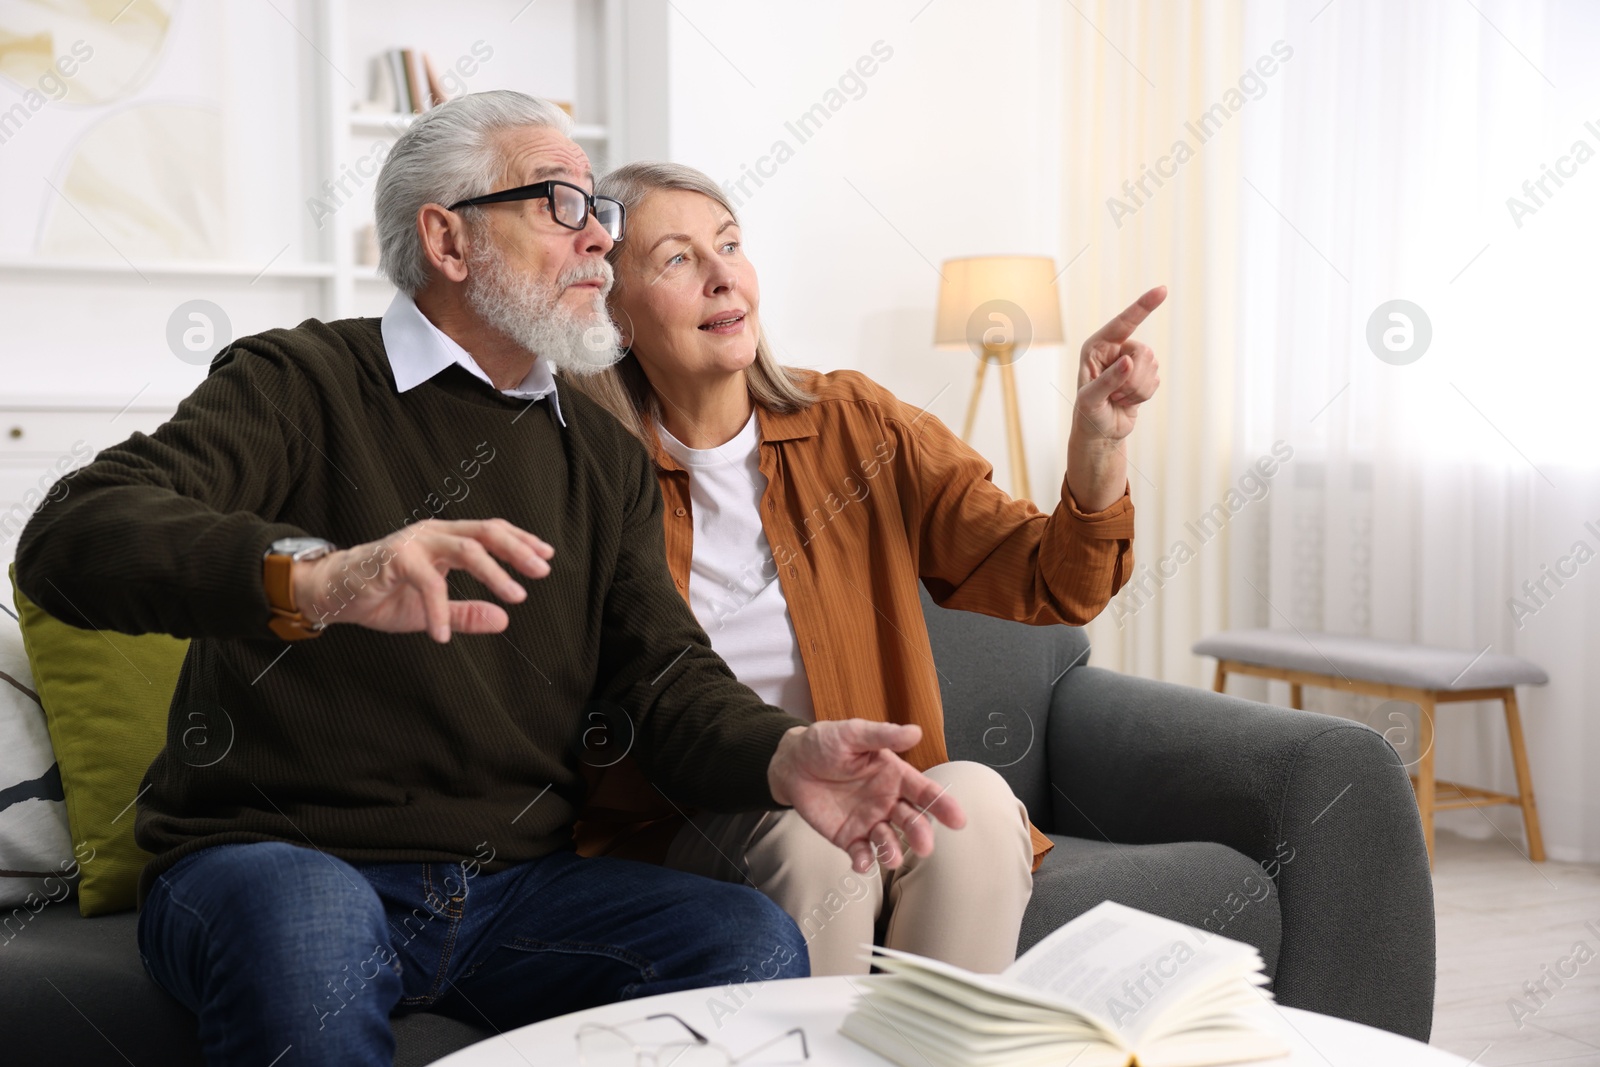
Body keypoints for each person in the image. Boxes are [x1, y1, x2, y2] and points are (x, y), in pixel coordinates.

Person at [14, 93, 964, 1067]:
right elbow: (72, 535)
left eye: (602, 208)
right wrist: (323, 576)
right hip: (279, 857)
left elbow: (663, 679)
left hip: (511, 887)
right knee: (309, 924)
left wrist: (783, 753)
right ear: (448, 239)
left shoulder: (601, 454)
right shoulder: (301, 380)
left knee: (744, 936)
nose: (600, 236)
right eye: (561, 202)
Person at [566, 161, 1163, 976]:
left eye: (731, 244)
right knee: (814, 842)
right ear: (612, 309)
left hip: (878, 801)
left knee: (975, 804)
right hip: (685, 826)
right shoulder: (584, 470)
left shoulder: (857, 424)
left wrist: (1100, 442)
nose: (721, 276)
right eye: (677, 259)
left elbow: (1057, 581)